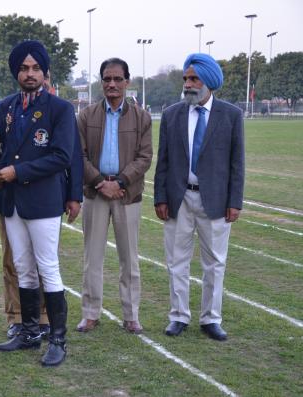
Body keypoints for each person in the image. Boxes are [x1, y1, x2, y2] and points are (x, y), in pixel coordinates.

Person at [0, 40, 76, 367]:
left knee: (47, 268)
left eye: (36, 68)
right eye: (24, 68)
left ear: (45, 72)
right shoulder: (2, 108)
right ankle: (29, 332)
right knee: (22, 266)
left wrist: (15, 172)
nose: (30, 73)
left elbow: (62, 156)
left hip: (43, 201)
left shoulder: (60, 109)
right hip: (10, 202)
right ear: (16, 72)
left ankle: (58, 341)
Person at [154, 53, 244, 341]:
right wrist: (160, 198)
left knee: (215, 263)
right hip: (179, 200)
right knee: (176, 262)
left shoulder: (231, 115)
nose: (188, 84)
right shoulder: (171, 114)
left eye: (194, 79)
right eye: (186, 79)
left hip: (216, 202)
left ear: (209, 82)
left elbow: (236, 164)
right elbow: (163, 162)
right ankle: (178, 316)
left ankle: (211, 319)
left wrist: (235, 202)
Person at [76, 58, 152, 335]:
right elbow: (79, 156)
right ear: (101, 81)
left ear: (127, 82)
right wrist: (99, 182)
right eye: (107, 79)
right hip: (95, 194)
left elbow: (145, 157)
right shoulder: (86, 116)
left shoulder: (141, 117)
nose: (112, 84)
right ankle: (90, 313)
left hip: (126, 195)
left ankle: (131, 315)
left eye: (117, 79)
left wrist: (120, 181)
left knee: (129, 259)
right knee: (91, 258)